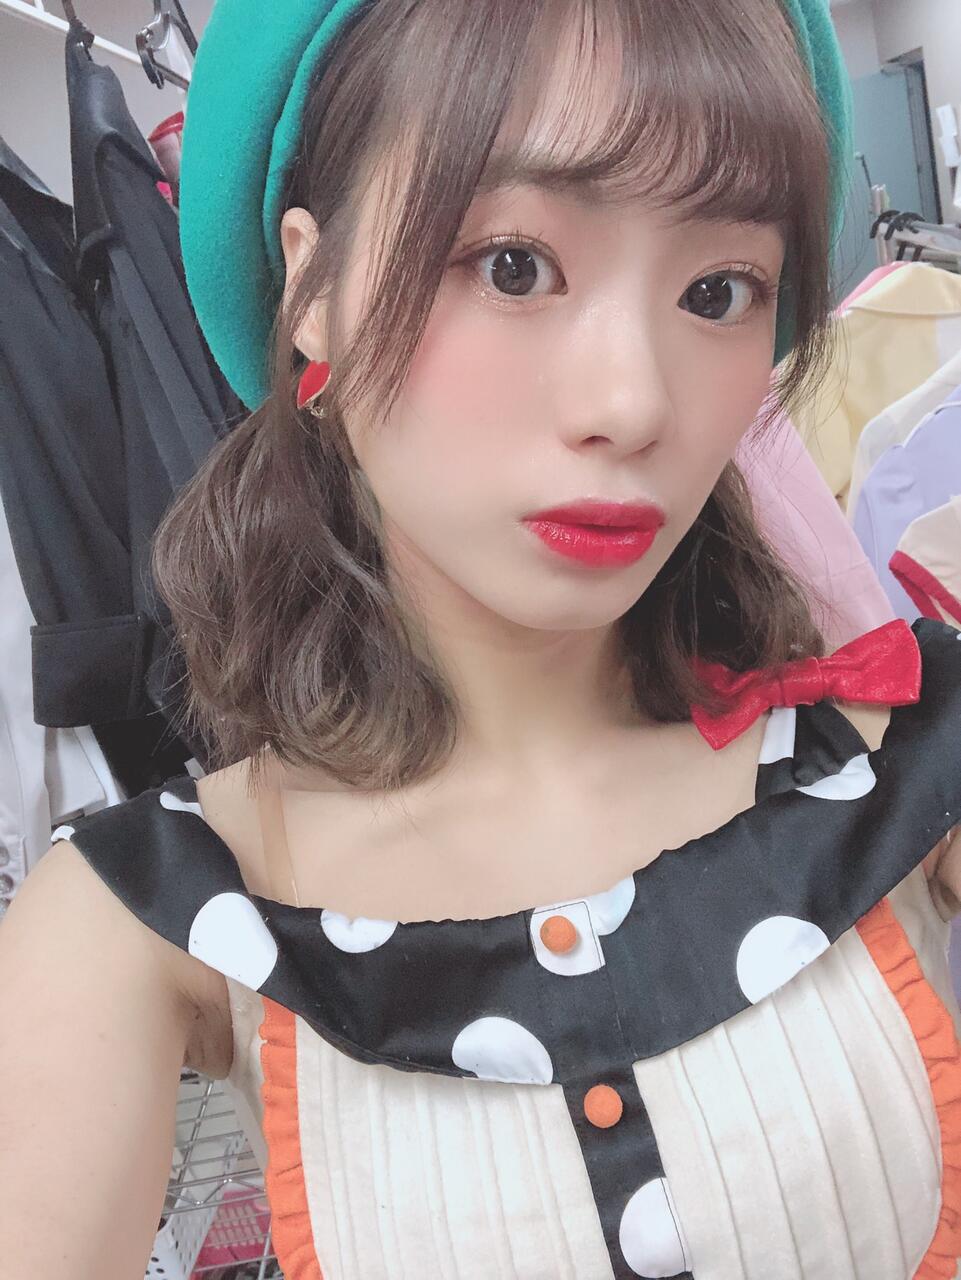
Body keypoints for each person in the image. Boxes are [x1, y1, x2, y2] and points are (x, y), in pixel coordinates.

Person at [2, 0, 960, 1277]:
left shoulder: (905, 755)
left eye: (717, 291)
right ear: (314, 289)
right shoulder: (148, 912)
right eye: (513, 266)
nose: (632, 400)